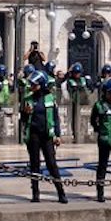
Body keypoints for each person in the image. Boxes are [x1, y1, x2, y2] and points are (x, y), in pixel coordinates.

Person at [22, 71, 67, 203]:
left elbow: (55, 118)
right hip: (33, 135)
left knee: (51, 164)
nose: (32, 86)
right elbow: (23, 119)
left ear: (41, 84)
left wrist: (58, 134)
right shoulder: (28, 99)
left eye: (34, 84)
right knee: (34, 164)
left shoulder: (50, 98)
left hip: (47, 135)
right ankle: (35, 193)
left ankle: (61, 192)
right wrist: (25, 114)